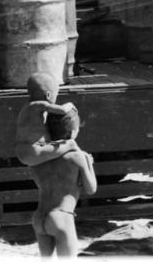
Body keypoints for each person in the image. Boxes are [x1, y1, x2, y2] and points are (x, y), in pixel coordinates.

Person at [31, 105, 97, 258]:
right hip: (61, 217)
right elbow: (91, 188)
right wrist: (89, 164)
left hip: (39, 217)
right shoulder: (77, 157)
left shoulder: (40, 157)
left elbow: (39, 182)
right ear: (73, 131)